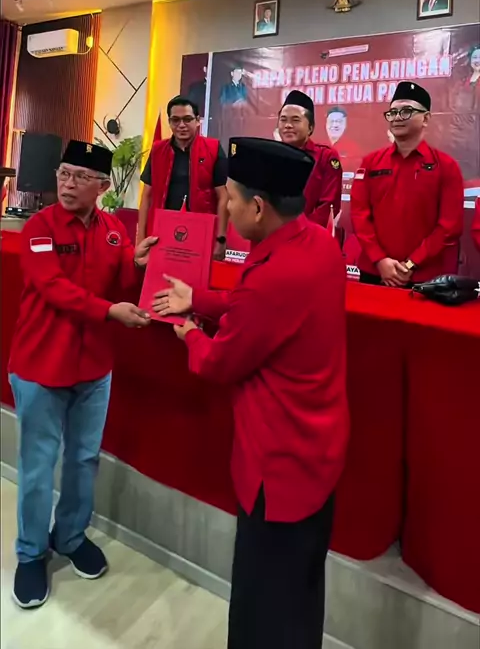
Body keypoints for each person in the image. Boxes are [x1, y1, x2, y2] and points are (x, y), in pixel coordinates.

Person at [153, 137, 349, 649]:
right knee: (300, 594)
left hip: (276, 467)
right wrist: (200, 298)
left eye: (232, 198)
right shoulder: (317, 245)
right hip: (318, 454)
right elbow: (260, 313)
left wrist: (190, 332)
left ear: (258, 208)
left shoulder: (273, 274)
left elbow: (220, 362)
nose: (227, 207)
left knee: (262, 609)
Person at [8, 140, 157, 610]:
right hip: (40, 365)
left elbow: (125, 282)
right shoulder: (39, 227)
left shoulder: (114, 231)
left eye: (79, 177)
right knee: (37, 468)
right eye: (63, 174)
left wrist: (138, 262)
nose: (68, 184)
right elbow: (52, 287)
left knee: (83, 459)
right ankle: (31, 554)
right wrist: (110, 311)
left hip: (93, 368)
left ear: (102, 186)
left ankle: (70, 536)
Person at [351, 81, 464, 286]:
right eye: (393, 113)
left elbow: (449, 226)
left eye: (406, 111)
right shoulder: (370, 162)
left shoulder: (446, 166)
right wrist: (380, 260)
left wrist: (412, 263)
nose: (397, 118)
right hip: (375, 271)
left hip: (425, 276)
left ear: (426, 118)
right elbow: (359, 214)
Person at [137, 95, 229, 259]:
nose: (181, 125)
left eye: (187, 119)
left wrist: (220, 238)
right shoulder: (158, 150)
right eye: (175, 120)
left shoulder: (213, 148)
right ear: (169, 122)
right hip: (161, 232)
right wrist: (140, 238)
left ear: (198, 120)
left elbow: (223, 197)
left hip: (200, 232)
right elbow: (146, 196)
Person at [278, 90, 342, 226]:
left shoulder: (326, 157)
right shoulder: (272, 155)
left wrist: (300, 230)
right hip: (275, 233)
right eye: (283, 120)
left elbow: (328, 206)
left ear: (310, 127)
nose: (288, 125)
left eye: (295, 120)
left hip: (310, 234)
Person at [325, 107, 362, 174]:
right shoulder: (319, 146)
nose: (335, 125)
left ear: (345, 125)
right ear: (326, 124)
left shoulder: (353, 148)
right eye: (331, 121)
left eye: (339, 122)